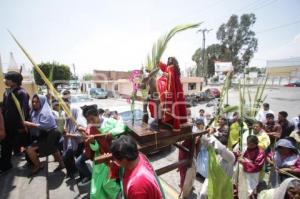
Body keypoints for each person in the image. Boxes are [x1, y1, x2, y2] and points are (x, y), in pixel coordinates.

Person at [23, 94, 64, 175]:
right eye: (33, 102)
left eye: (37, 102)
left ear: (42, 102)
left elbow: (46, 125)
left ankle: (38, 165)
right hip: (43, 135)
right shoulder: (34, 111)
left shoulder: (45, 112)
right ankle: (61, 163)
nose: (34, 104)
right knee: (52, 148)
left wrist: (30, 124)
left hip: (50, 134)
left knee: (30, 149)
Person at [0, 71, 30, 174]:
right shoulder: (7, 92)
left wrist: (22, 125)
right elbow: (4, 108)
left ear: (13, 81)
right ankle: (5, 166)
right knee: (6, 146)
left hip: (19, 127)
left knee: (26, 145)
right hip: (7, 126)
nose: (5, 81)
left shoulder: (22, 93)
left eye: (7, 79)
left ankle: (32, 162)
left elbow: (24, 110)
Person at [156, 57, 187, 131]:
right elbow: (165, 69)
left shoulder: (170, 68)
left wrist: (168, 91)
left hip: (172, 90)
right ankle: (180, 121)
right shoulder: (175, 68)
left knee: (159, 81)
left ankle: (174, 124)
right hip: (178, 89)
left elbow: (170, 80)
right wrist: (160, 64)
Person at [62, 99, 84, 178]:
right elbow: (65, 123)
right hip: (71, 141)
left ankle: (81, 176)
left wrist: (70, 135)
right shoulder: (67, 116)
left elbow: (81, 135)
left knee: (77, 159)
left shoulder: (79, 121)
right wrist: (65, 129)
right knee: (68, 157)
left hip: (79, 142)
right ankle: (73, 172)